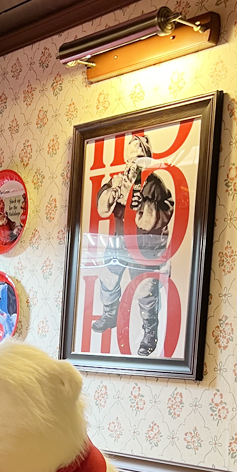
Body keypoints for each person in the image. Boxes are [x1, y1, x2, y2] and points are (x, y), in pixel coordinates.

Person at [90, 133, 174, 357]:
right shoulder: (117, 180)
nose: (134, 166)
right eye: (131, 161)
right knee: (107, 279)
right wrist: (114, 194)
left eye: (139, 161)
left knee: (145, 290)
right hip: (118, 243)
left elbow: (167, 209)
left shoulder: (155, 182)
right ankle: (110, 313)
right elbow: (102, 205)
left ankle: (149, 332)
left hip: (145, 247)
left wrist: (146, 208)